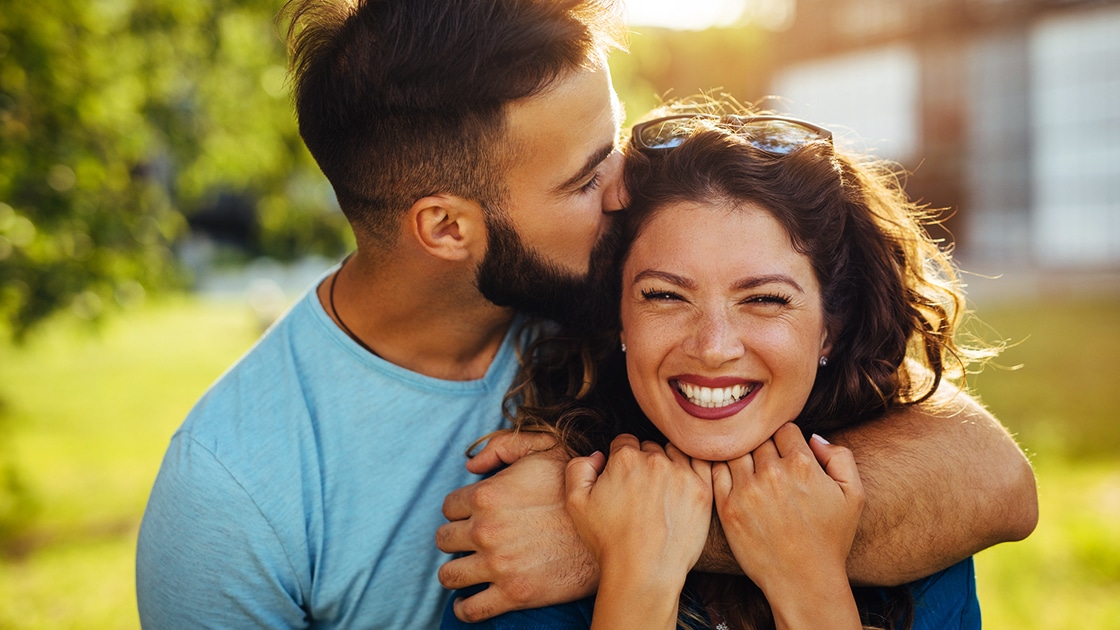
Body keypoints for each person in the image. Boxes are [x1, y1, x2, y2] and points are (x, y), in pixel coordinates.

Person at [135, 1, 1036, 628]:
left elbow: (991, 477)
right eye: (585, 175)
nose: (630, 189)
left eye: (615, 139)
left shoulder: (642, 292)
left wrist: (605, 532)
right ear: (447, 227)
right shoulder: (232, 495)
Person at [440, 108, 996, 629]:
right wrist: (635, 581)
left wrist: (809, 583)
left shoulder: (921, 533)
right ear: (620, 317)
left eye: (766, 300)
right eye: (664, 296)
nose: (713, 347)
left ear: (831, 325)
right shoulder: (520, 532)